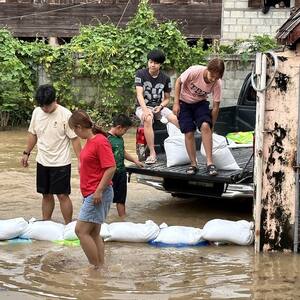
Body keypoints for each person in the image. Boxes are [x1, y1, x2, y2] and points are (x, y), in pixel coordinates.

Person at [21, 84, 81, 224]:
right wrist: (26, 153)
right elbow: (32, 134)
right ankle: (46, 223)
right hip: (42, 161)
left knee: (62, 195)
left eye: (47, 106)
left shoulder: (66, 115)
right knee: (46, 195)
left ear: (55, 100)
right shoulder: (37, 112)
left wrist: (81, 160)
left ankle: (68, 225)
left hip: (61, 163)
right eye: (42, 106)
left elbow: (75, 139)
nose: (44, 109)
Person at [68, 110, 116, 270]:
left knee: (80, 231)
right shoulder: (90, 141)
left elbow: (111, 168)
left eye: (74, 130)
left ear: (79, 127)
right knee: (94, 233)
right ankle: (100, 266)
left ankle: (95, 267)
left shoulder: (100, 141)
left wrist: (99, 190)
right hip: (91, 192)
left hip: (97, 193)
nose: (75, 133)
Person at [173, 58, 225, 176]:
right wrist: (176, 103)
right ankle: (193, 164)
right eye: (212, 75)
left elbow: (216, 106)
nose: (213, 79)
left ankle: (210, 163)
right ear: (208, 69)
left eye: (216, 78)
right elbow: (178, 82)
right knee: (189, 131)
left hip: (200, 104)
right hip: (184, 103)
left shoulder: (217, 83)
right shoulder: (194, 71)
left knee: (206, 126)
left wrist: (212, 126)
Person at [135, 49, 179, 164]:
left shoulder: (165, 78)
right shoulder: (141, 74)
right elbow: (139, 94)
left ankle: (184, 147)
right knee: (148, 118)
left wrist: (160, 106)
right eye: (150, 61)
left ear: (160, 64)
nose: (152, 64)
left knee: (175, 119)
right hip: (142, 107)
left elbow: (167, 98)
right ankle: (152, 153)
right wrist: (145, 110)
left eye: (155, 63)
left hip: (158, 107)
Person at [107, 114, 144, 218]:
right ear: (119, 127)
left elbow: (122, 152)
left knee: (121, 199)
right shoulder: (106, 139)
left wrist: (135, 160)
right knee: (105, 198)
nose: (125, 133)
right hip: (109, 175)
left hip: (121, 173)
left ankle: (122, 219)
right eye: (125, 130)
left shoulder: (119, 138)